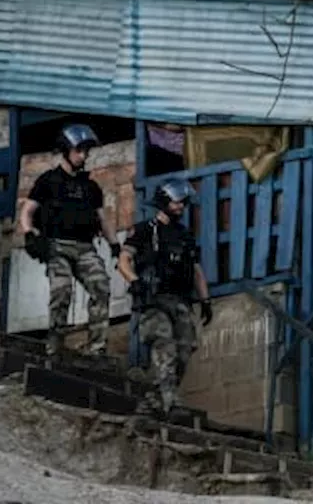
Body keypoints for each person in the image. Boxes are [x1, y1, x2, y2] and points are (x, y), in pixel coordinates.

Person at [17, 123, 119, 360]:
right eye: (79, 151)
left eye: (86, 152)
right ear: (65, 150)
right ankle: (54, 347)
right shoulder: (48, 181)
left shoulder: (91, 187)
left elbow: (103, 219)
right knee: (61, 292)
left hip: (85, 248)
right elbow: (28, 210)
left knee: (101, 286)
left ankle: (97, 347)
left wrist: (115, 246)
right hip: (57, 245)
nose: (83, 156)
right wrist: (30, 233)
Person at [117, 178, 214, 416]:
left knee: (185, 348)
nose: (181, 207)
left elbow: (196, 270)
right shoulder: (144, 231)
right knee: (164, 346)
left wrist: (206, 300)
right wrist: (135, 282)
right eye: (177, 202)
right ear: (163, 202)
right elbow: (123, 261)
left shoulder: (184, 236)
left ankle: (154, 398)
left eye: (183, 203)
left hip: (179, 299)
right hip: (153, 299)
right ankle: (171, 401)